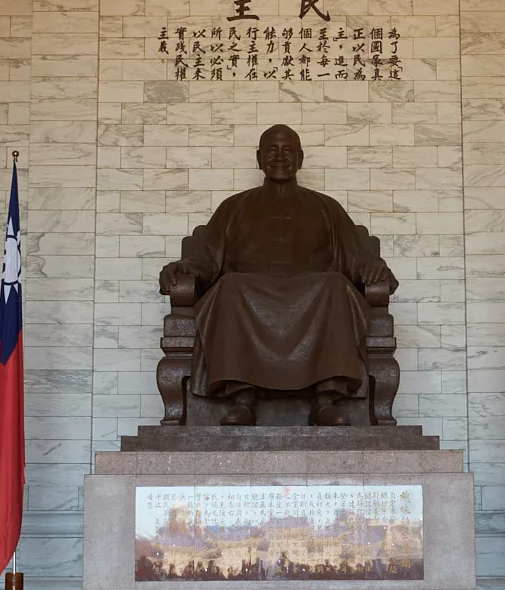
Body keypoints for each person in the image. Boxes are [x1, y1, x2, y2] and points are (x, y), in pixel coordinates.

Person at [158, 125, 397, 426]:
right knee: (229, 285)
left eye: (288, 151)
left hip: (314, 294)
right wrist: (183, 268)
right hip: (247, 293)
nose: (280, 157)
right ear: (259, 158)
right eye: (271, 150)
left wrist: (372, 268)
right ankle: (243, 397)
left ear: (300, 158)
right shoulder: (234, 207)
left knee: (335, 284)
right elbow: (206, 258)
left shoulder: (326, 207)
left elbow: (354, 257)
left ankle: (325, 399)